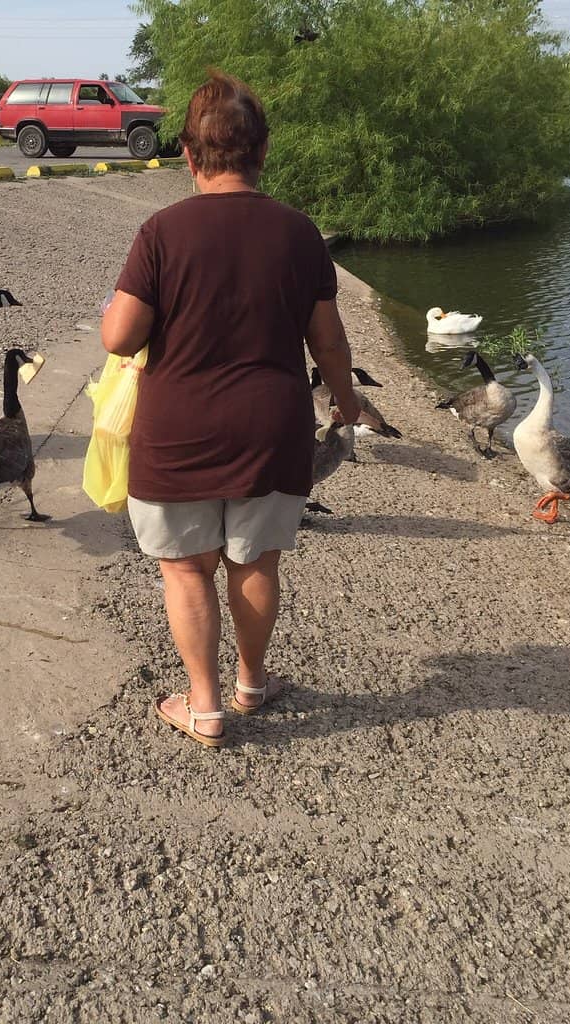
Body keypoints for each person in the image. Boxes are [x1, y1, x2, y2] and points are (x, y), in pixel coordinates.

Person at [101, 71, 367, 747]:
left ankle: (205, 705)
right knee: (256, 563)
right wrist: (346, 402)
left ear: (189, 155)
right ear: (263, 152)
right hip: (271, 430)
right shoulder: (299, 233)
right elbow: (329, 342)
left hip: (177, 433)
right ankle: (253, 683)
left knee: (187, 569)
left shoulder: (161, 231)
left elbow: (120, 337)